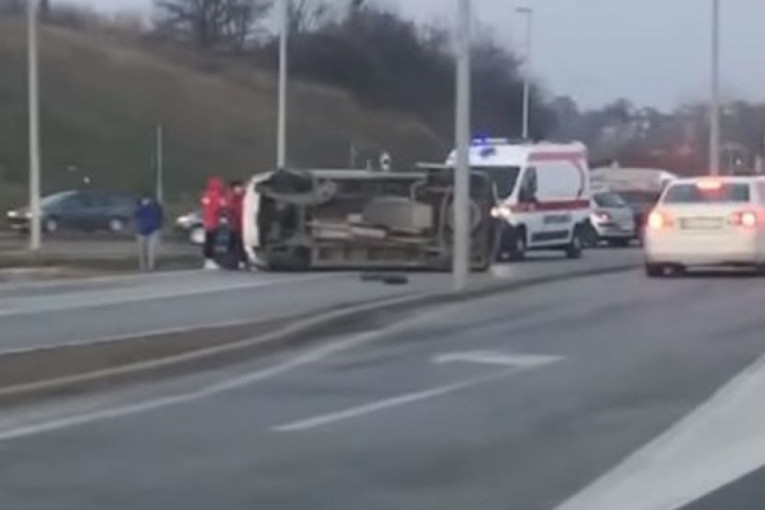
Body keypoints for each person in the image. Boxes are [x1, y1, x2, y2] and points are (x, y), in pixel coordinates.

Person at [201, 176, 227, 270]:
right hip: (214, 222)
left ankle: (207, 260)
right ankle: (210, 260)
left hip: (207, 221)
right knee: (212, 241)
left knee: (208, 241)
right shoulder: (217, 196)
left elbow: (205, 207)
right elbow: (220, 208)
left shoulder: (206, 195)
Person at [134, 194, 163, 272]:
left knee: (151, 250)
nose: (146, 201)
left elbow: (159, 215)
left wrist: (159, 227)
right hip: (142, 230)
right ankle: (142, 266)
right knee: (142, 250)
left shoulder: (155, 206)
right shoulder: (140, 206)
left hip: (153, 230)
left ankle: (150, 266)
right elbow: (136, 214)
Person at [227, 180, 247, 269]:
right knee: (234, 244)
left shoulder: (244, 197)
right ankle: (233, 262)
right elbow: (230, 212)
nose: (240, 189)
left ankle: (242, 261)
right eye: (238, 187)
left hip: (243, 225)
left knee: (241, 244)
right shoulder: (232, 198)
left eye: (240, 187)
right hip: (235, 225)